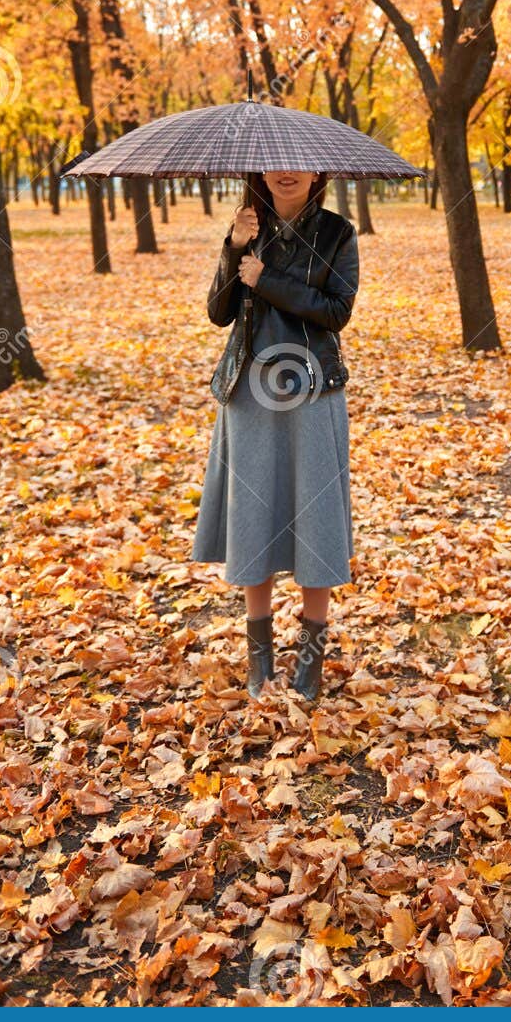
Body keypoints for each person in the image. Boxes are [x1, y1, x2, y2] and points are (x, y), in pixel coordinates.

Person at [191, 169, 360, 703]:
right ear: (259, 171)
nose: (286, 173)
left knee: (315, 516)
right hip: (249, 394)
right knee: (253, 517)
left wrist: (266, 279)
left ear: (319, 172)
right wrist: (233, 246)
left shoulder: (337, 233)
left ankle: (309, 662)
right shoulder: (248, 227)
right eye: (274, 164)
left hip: (311, 391)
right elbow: (219, 313)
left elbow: (337, 311)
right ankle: (258, 662)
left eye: (299, 164)